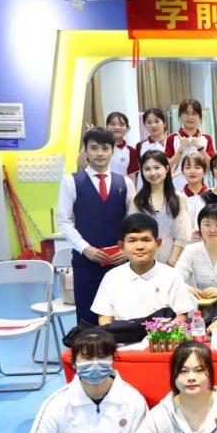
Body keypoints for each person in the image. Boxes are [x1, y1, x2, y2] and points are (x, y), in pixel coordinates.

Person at [56, 126, 134, 325]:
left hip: (119, 261)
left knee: (122, 314)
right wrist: (85, 248)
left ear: (112, 151)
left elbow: (133, 222)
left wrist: (126, 251)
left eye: (105, 148)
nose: (99, 153)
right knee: (88, 316)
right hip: (86, 261)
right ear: (86, 151)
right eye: (94, 148)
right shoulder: (71, 181)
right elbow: (63, 220)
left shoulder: (125, 183)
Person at [91, 213, 196, 324]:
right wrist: (109, 333)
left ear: (158, 243)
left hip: (161, 334)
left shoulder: (171, 276)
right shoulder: (112, 277)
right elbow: (105, 317)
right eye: (132, 241)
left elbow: (181, 314)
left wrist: (165, 332)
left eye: (146, 240)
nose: (140, 246)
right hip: (122, 334)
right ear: (121, 246)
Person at [130, 150, 191, 266]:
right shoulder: (136, 200)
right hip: (143, 260)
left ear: (167, 169)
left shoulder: (179, 198)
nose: (152, 173)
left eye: (157, 167)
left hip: (172, 260)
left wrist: (172, 260)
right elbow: (132, 232)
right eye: (147, 169)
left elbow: (182, 234)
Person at [174, 204, 217, 304]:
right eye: (207, 225)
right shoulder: (191, 250)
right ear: (199, 227)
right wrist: (186, 288)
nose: (212, 230)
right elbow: (175, 278)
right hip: (201, 307)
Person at [164, 99, 215, 191]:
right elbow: (166, 168)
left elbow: (213, 167)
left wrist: (201, 149)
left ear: (200, 117)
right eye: (186, 113)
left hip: (202, 189)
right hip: (177, 188)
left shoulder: (206, 138)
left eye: (194, 113)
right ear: (180, 116)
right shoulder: (172, 138)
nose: (190, 117)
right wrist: (180, 150)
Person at [180, 152, 210, 238]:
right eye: (188, 167)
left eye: (197, 167)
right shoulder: (176, 197)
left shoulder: (213, 196)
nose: (192, 171)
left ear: (205, 171)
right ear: (182, 172)